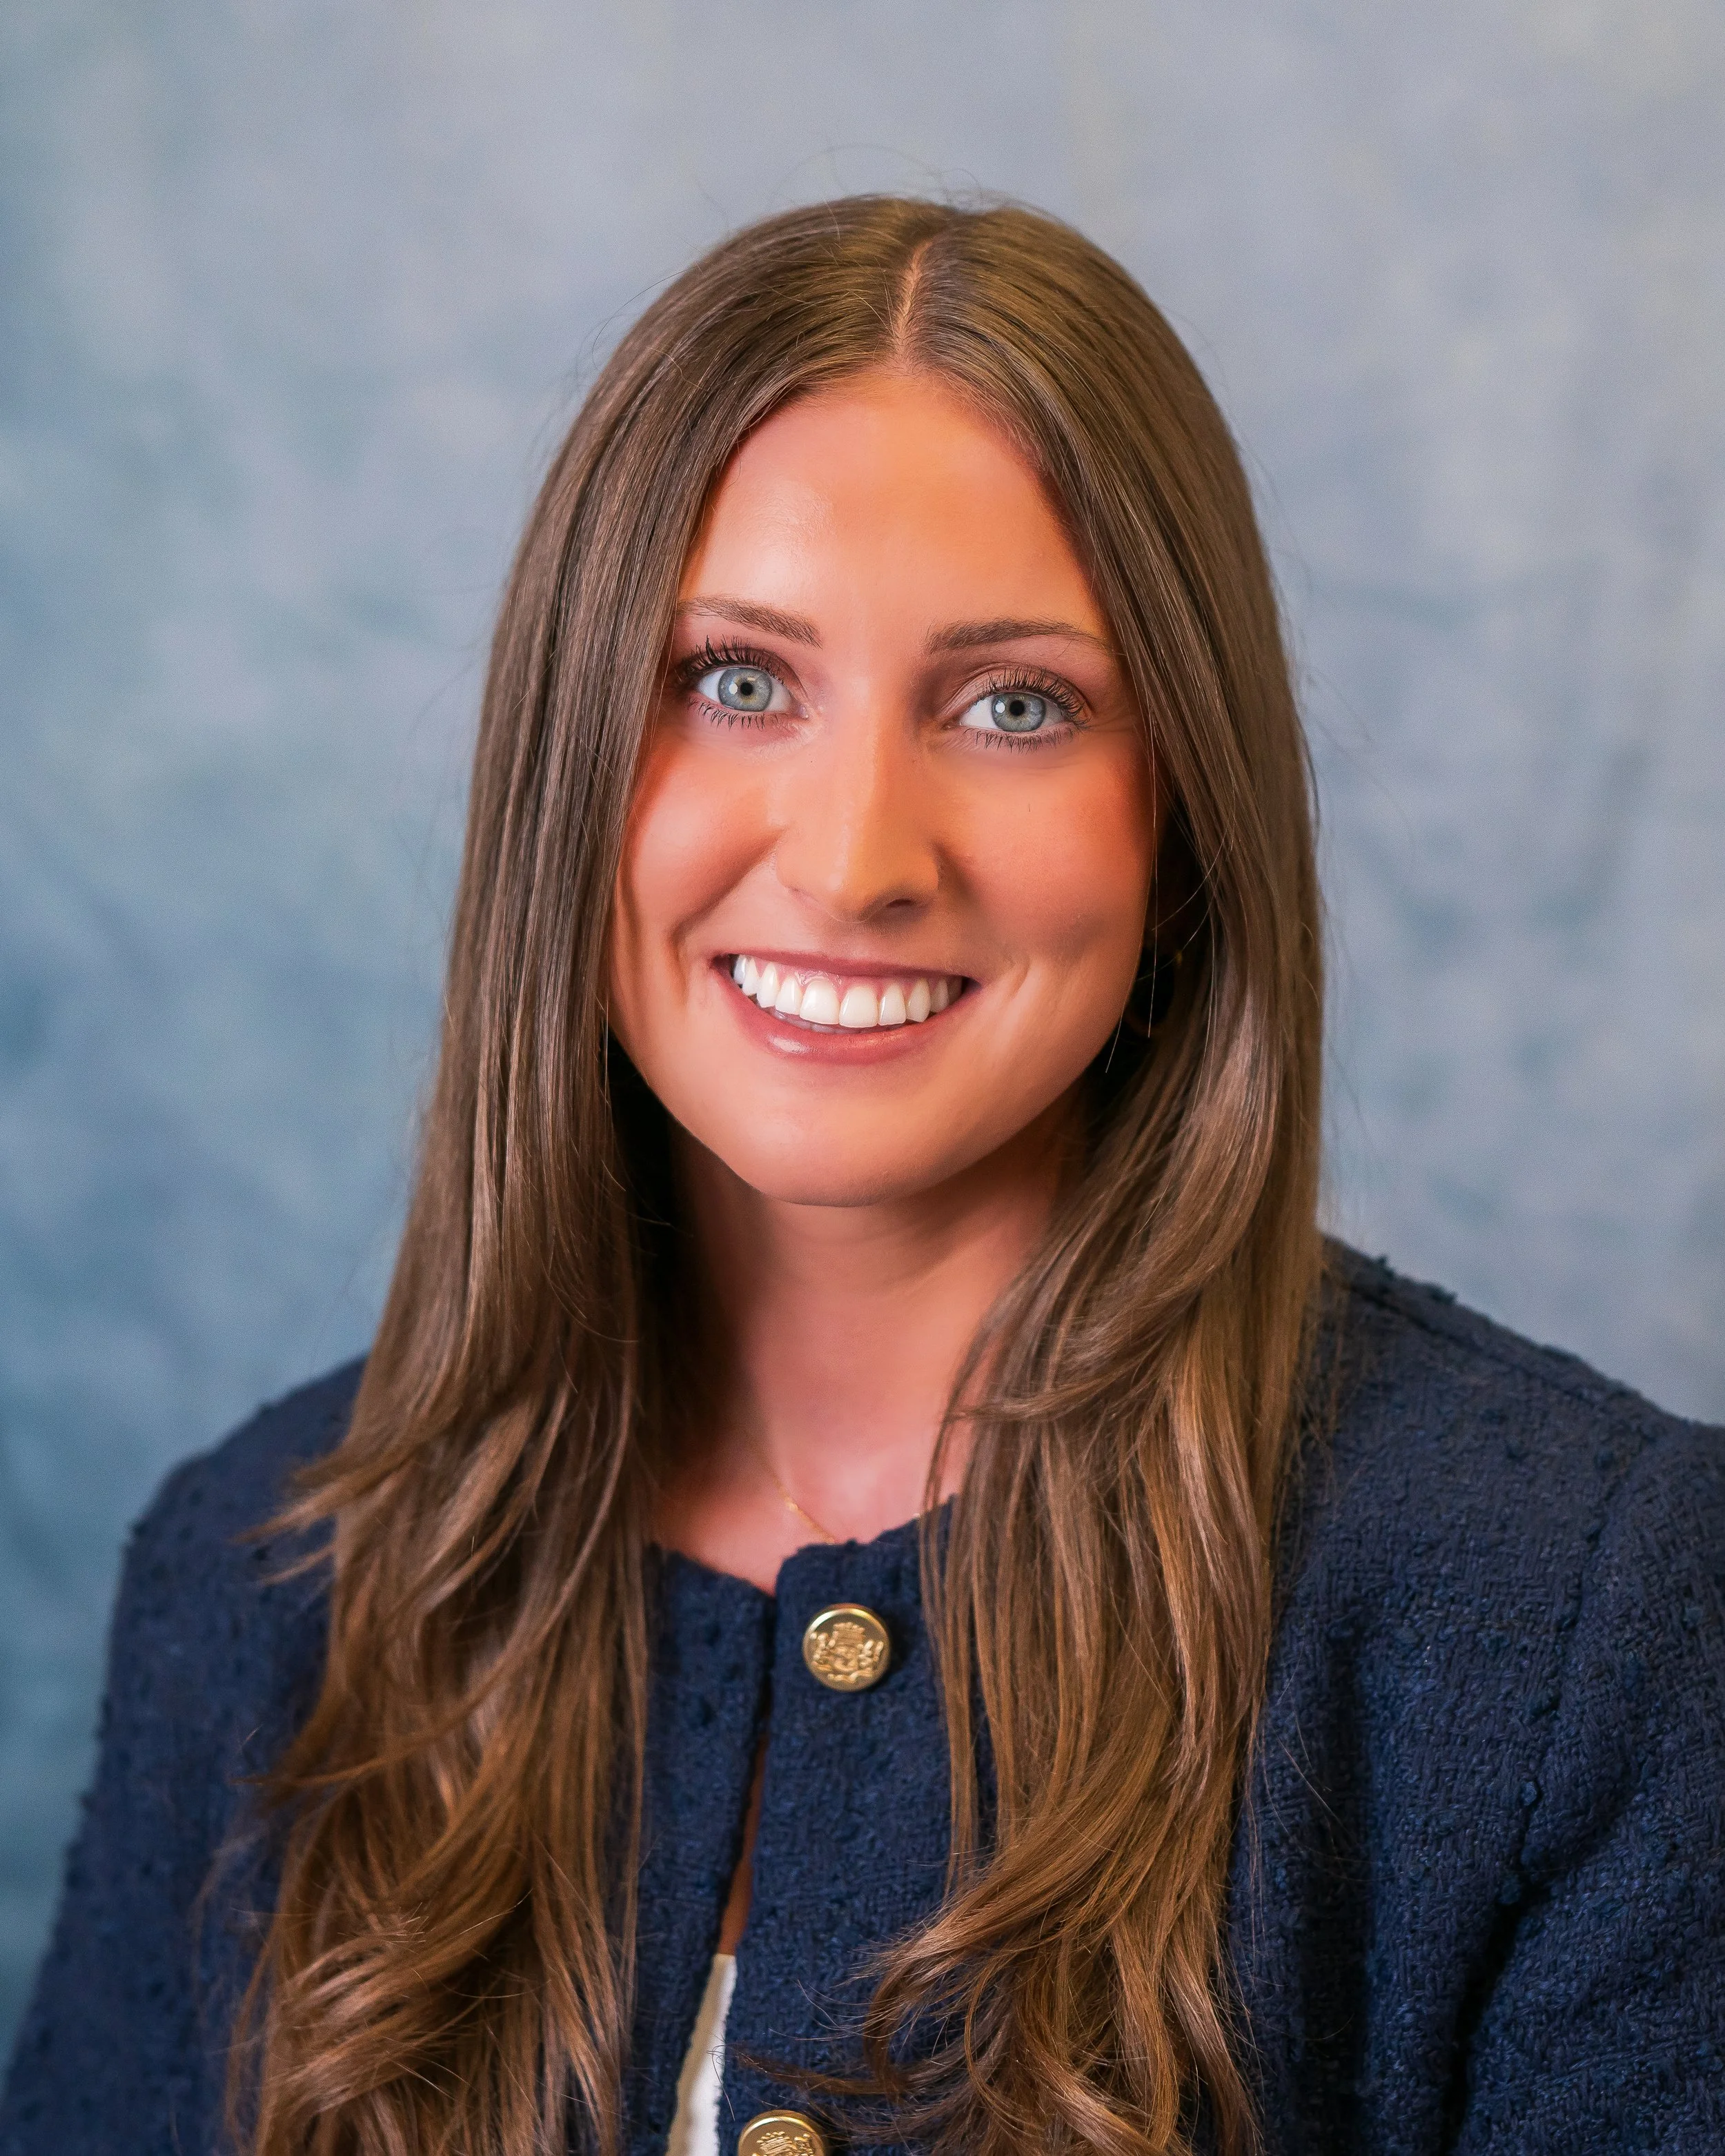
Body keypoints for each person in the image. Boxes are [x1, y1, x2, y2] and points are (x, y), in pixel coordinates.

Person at [3, 196, 1721, 2156]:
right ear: (569, 757)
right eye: (735, 678)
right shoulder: (260, 1583)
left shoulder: (1591, 1616)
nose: (853, 856)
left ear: (1178, 807)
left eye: (1014, 705)